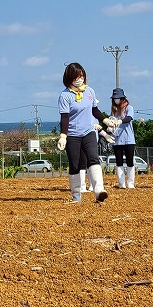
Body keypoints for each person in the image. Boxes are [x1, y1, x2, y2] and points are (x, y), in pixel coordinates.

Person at [57, 62, 110, 203]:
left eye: (81, 76)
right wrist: (63, 136)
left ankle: (99, 191)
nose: (79, 80)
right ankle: (76, 196)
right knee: (74, 164)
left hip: (89, 131)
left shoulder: (90, 91)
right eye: (76, 77)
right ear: (69, 79)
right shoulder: (65, 96)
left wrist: (105, 120)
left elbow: (95, 110)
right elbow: (65, 118)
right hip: (73, 134)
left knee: (94, 158)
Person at [109, 88, 137, 189]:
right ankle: (121, 183)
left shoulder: (129, 108)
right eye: (114, 98)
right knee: (119, 161)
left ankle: (131, 183)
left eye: (118, 98)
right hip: (117, 140)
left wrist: (120, 121)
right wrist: (110, 126)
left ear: (122, 98)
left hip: (129, 139)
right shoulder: (114, 111)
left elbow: (129, 118)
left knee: (130, 161)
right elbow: (111, 121)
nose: (116, 100)